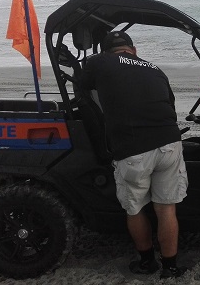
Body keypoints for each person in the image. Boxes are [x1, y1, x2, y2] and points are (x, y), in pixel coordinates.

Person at [80, 31, 188, 279]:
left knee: (135, 208)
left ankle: (147, 262)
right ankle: (170, 267)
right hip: (169, 143)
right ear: (134, 50)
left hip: (133, 148)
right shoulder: (155, 69)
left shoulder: (100, 61)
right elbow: (169, 105)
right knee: (166, 209)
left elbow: (83, 86)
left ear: (108, 51)